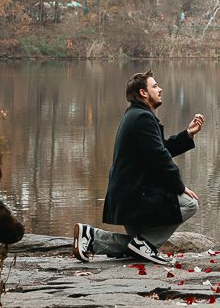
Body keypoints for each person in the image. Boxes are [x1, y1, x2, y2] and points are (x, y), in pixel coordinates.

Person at [73, 70, 204, 266]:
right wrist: (179, 187)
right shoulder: (142, 118)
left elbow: (159, 149)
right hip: (136, 198)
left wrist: (187, 135)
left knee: (138, 247)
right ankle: (142, 244)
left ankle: (92, 237)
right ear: (143, 92)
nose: (160, 89)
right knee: (189, 203)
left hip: (129, 197)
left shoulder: (136, 116)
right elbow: (160, 158)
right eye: (155, 86)